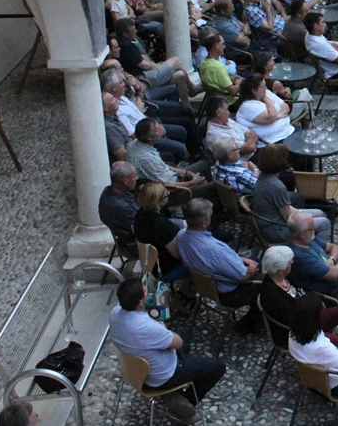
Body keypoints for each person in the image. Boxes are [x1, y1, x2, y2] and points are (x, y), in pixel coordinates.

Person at [109, 276, 226, 424]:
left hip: (136, 370)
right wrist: (162, 328)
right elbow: (177, 342)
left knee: (186, 345)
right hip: (164, 375)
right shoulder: (145, 327)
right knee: (218, 367)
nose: (147, 292)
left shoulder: (115, 313)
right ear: (140, 302)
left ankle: (176, 394)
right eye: (144, 291)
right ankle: (182, 404)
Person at [176, 199, 263, 330]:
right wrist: (252, 267)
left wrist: (236, 259)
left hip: (206, 286)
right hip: (230, 293)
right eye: (210, 215)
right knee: (270, 284)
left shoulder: (181, 235)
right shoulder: (214, 249)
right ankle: (247, 325)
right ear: (204, 223)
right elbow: (243, 276)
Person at [260, 246, 338, 350]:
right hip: (301, 330)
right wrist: (312, 301)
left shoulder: (286, 276)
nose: (292, 262)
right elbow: (295, 321)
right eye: (289, 262)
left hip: (311, 314)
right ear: (280, 270)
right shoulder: (273, 295)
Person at [249, 144, 334, 244]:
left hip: (267, 222)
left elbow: (286, 207)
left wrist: (304, 214)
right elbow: (289, 219)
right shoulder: (277, 187)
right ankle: (314, 249)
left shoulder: (263, 177)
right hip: (277, 230)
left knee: (319, 212)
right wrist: (307, 217)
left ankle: (312, 240)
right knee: (324, 223)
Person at [128, 118, 217, 200]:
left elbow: (164, 166)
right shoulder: (147, 159)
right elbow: (167, 185)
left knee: (205, 164)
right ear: (149, 138)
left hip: (173, 177)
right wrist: (193, 182)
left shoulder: (135, 143)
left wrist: (188, 173)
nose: (162, 129)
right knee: (215, 186)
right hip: (173, 191)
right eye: (157, 130)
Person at [114, 18, 192, 98]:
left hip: (145, 75)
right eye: (133, 30)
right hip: (143, 78)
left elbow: (141, 58)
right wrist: (160, 66)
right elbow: (144, 65)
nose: (136, 31)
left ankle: (186, 104)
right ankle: (192, 88)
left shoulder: (126, 42)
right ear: (125, 34)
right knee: (176, 61)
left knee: (180, 75)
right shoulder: (126, 46)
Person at [134, 181, 187, 281]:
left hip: (151, 263)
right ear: (158, 202)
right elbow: (177, 254)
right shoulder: (162, 226)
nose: (169, 193)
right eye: (166, 194)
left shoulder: (140, 214)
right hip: (168, 269)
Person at [236, 73, 295, 145]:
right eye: (263, 87)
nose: (266, 88)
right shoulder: (248, 106)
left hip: (289, 130)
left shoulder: (266, 92)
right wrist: (266, 99)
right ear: (254, 90)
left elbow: (286, 107)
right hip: (274, 141)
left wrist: (276, 117)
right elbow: (271, 117)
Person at [304, 11, 338, 82]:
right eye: (322, 22)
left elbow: (328, 47)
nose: (325, 24)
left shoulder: (309, 35)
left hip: (331, 67)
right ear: (316, 26)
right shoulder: (321, 45)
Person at [99, 162, 139, 242]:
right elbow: (144, 228)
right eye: (134, 176)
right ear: (125, 180)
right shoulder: (122, 207)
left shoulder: (108, 191)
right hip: (136, 242)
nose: (137, 178)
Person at [198, 33, 242, 102]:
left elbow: (216, 80)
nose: (224, 46)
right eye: (223, 44)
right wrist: (239, 83)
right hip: (228, 102)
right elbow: (233, 91)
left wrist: (232, 79)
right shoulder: (218, 67)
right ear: (216, 45)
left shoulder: (203, 62)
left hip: (215, 100)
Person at [104, 91, 133, 162]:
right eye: (112, 99)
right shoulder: (108, 127)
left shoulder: (113, 116)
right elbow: (122, 155)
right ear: (105, 108)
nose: (116, 99)